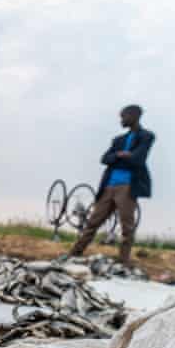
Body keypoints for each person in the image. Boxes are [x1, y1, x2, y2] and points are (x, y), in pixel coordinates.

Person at [69, 105, 155, 264]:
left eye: (124, 116)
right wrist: (120, 154)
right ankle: (74, 254)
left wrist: (118, 157)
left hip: (128, 186)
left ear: (134, 116)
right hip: (109, 186)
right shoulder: (118, 140)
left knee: (127, 227)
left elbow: (138, 159)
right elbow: (104, 159)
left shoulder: (147, 136)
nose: (121, 120)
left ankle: (123, 261)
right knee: (92, 222)